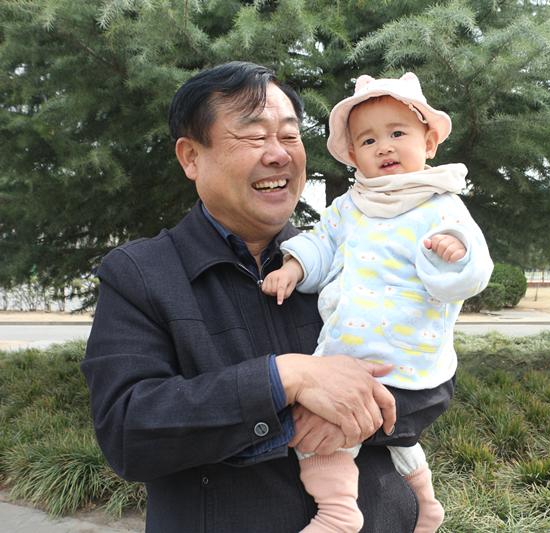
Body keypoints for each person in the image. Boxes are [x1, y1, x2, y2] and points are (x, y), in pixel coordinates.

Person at [81, 62, 456, 533]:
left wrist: (352, 415)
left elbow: (432, 379)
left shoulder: (353, 253)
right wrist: (283, 378)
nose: (279, 154)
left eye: (290, 136)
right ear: (191, 156)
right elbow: (129, 431)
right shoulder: (141, 274)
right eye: (254, 136)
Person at [262, 72, 493, 532]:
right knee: (387, 435)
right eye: (369, 140)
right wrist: (293, 266)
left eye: (397, 134)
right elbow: (321, 242)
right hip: (350, 352)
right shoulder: (351, 206)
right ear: (353, 156)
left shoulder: (440, 204)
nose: (384, 147)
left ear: (429, 143)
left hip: (408, 351)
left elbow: (471, 274)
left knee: (318, 433)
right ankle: (426, 502)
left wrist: (457, 253)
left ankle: (337, 513)